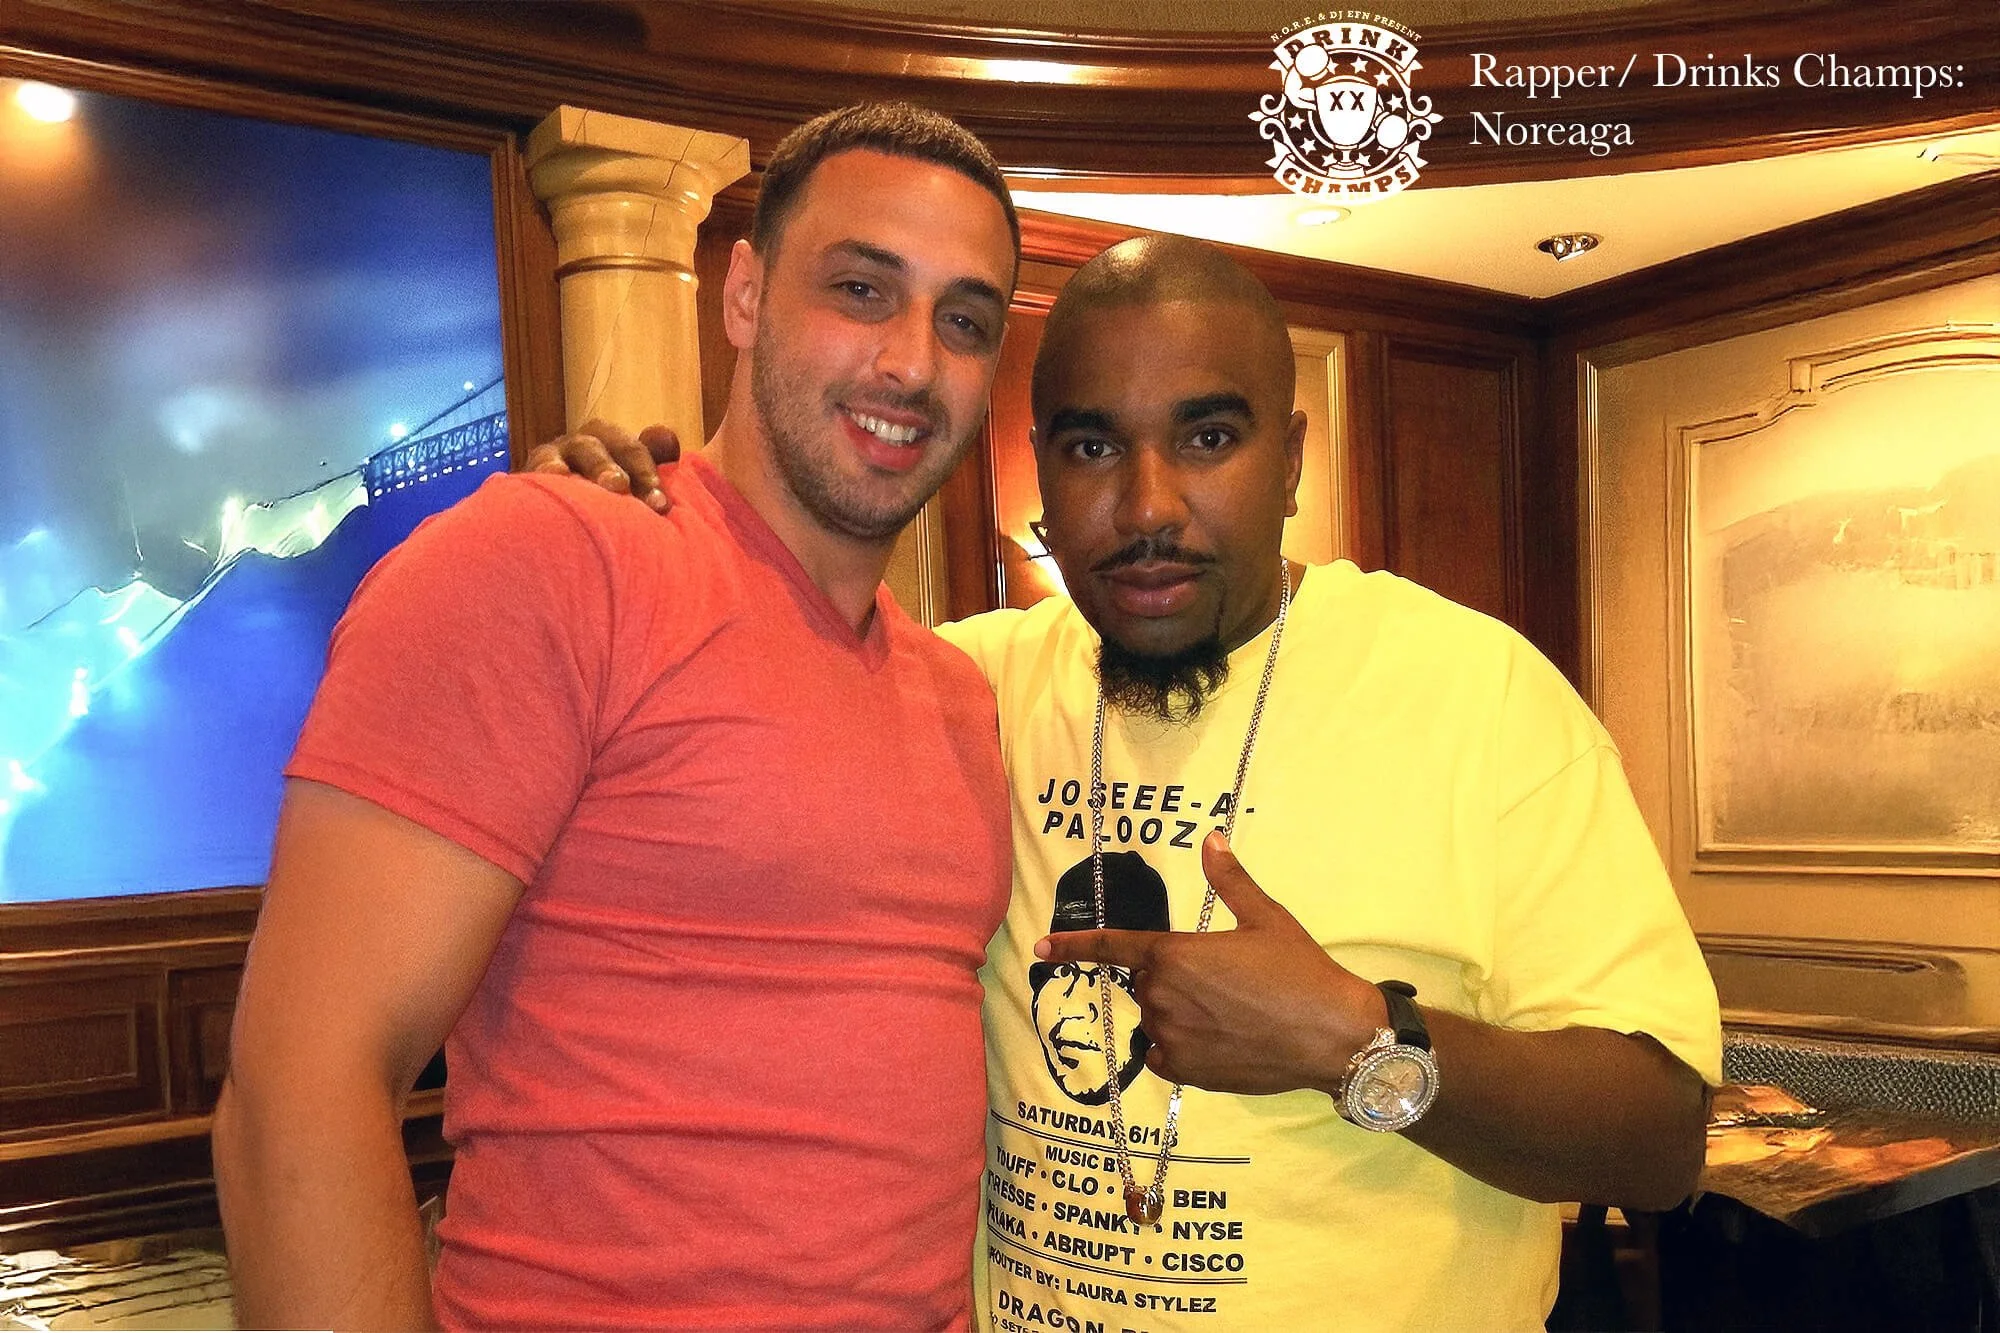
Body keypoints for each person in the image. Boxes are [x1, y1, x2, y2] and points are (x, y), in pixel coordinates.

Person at [547, 234, 1723, 1331]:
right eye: (1093, 445)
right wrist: (620, 528)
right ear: (1042, 474)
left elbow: (1658, 1140)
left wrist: (1358, 1042)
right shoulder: (959, 686)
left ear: (1293, 460)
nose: (1148, 504)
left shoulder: (1474, 694)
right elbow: (696, 690)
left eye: (1208, 438)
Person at [211, 102, 1023, 1331]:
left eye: (962, 319)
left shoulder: (966, 694)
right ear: (741, 296)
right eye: (861, 289)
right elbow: (297, 1090)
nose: (911, 359)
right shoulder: (547, 560)